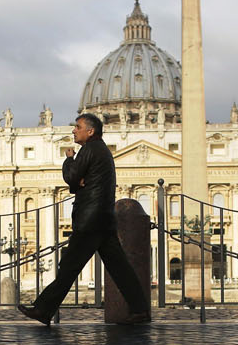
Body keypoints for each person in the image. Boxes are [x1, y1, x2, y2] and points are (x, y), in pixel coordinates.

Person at [18, 113, 150, 326]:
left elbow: (71, 177)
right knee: (120, 268)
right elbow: (76, 181)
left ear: (90, 131)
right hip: (103, 218)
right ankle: (140, 310)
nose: (73, 130)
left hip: (90, 220)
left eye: (77, 127)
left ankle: (43, 310)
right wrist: (77, 179)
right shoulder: (103, 151)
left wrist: (69, 159)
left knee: (69, 267)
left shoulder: (89, 150)